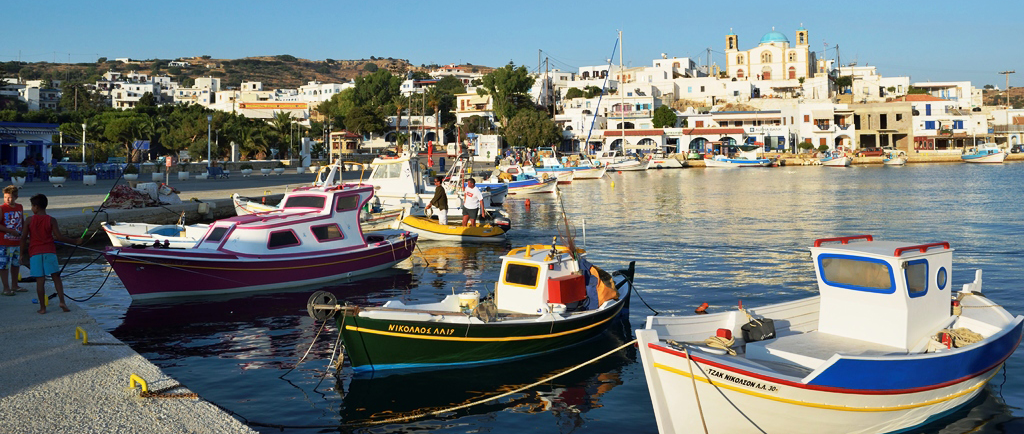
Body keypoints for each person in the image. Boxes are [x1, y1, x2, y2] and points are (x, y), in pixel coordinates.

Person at [20, 194, 82, 314]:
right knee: (56, 278)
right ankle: (62, 301)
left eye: (32, 206)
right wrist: (75, 241)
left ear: (36, 207)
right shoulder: (51, 220)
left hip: (35, 253)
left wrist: (22, 254)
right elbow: (59, 237)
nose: (32, 208)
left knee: (40, 280)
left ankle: (43, 308)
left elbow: (23, 238)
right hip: (49, 251)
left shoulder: (29, 220)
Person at [0, 185, 24, 296]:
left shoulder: (20, 207)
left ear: (16, 197)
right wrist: (10, 231)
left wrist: (24, 233)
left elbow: (22, 222)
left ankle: (15, 285)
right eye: (5, 197)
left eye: (10, 197)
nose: (8, 200)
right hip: (4, 243)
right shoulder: (2, 208)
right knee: (4, 266)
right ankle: (6, 288)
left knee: (16, 264)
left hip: (17, 242)